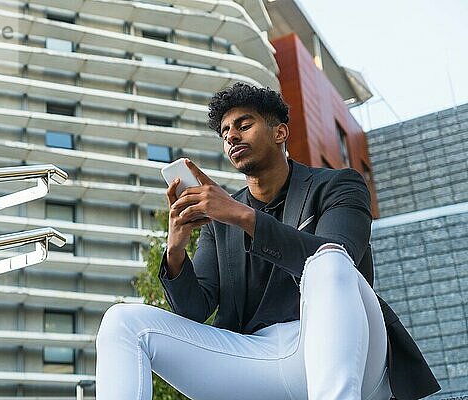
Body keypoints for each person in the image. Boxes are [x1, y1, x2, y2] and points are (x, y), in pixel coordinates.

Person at [95, 83, 439, 400]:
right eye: (225, 132)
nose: (231, 136)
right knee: (121, 322)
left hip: (347, 349)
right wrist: (175, 249)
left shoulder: (338, 185)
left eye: (243, 125)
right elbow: (193, 311)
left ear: (280, 132)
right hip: (253, 359)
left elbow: (342, 260)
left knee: (328, 258)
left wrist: (243, 217)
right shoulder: (220, 221)